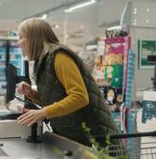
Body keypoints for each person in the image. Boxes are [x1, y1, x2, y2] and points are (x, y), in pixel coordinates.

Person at [16, 18, 119, 147]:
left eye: (21, 37)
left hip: (94, 136)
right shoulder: (43, 60)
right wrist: (32, 93)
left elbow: (80, 97)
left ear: (34, 38)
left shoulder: (60, 57)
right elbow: (56, 98)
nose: (17, 43)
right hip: (74, 134)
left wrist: (43, 113)